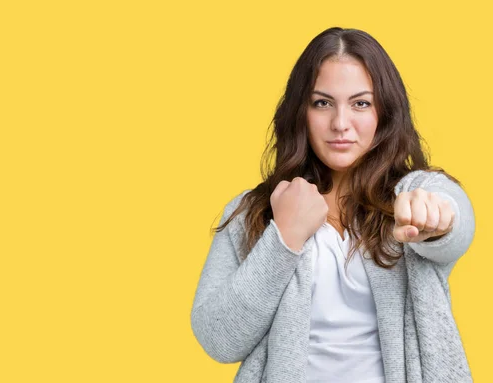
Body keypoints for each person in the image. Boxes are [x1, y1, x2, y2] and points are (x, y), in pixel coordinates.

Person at [191, 27, 475, 383]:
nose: (341, 124)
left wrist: (436, 220)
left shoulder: (411, 193)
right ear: (301, 112)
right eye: (322, 103)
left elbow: (456, 221)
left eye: (361, 103)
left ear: (384, 112)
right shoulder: (257, 211)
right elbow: (218, 340)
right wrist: (284, 238)